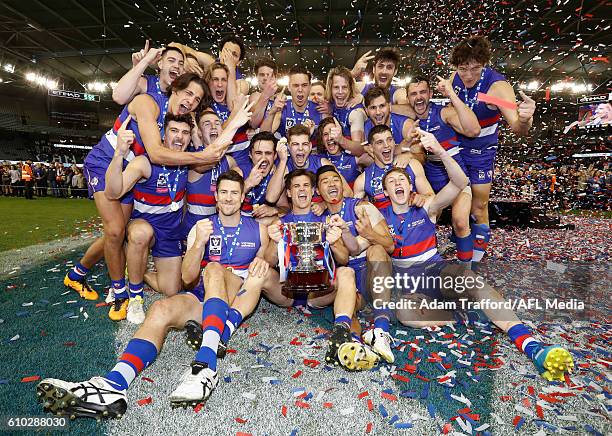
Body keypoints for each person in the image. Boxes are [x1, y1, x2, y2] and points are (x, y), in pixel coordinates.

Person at [36, 171, 274, 417]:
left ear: (242, 196)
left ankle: (206, 363)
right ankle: (115, 384)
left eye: (234, 192)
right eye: (223, 192)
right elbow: (188, 277)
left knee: (214, 268)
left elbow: (264, 268)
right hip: (204, 296)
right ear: (215, 195)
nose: (228, 198)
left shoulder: (257, 229)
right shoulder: (202, 227)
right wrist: (198, 244)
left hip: (235, 293)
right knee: (160, 309)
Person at [380, 129, 573, 382]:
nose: (397, 184)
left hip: (434, 270)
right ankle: (460, 315)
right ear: (385, 192)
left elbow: (460, 183)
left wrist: (439, 151)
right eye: (391, 182)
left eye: (401, 180)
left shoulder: (428, 207)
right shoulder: (379, 217)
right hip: (409, 286)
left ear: (410, 185)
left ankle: (530, 344)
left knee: (468, 279)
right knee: (405, 315)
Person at [64, 73, 212, 303]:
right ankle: (120, 292)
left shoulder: (174, 117)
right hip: (107, 162)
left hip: (128, 169)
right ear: (174, 89)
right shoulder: (149, 103)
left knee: (121, 232)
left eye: (196, 98)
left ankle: (77, 273)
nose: (191, 100)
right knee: (115, 231)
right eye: (188, 94)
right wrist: (201, 155)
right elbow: (154, 152)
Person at [263, 169, 380, 371]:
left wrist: (334, 243)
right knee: (262, 274)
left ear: (313, 190)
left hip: (318, 292)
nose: (302, 190)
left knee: (346, 273)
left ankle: (340, 331)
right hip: (287, 290)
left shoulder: (328, 220)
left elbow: (343, 259)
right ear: (289, 193)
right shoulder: (280, 223)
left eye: (306, 185)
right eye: (296, 186)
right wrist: (275, 242)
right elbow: (268, 260)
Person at [449, 36, 535, 264]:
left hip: (482, 150)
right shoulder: (454, 77)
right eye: (463, 69)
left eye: (475, 69)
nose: (468, 75)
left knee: (479, 205)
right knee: (456, 201)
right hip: (457, 146)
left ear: (484, 64)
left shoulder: (498, 88)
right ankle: (459, 239)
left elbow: (518, 127)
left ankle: (477, 257)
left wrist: (526, 119)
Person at [103, 113, 193, 323]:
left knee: (171, 289)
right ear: (162, 134)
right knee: (142, 233)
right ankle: (135, 297)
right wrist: (119, 154)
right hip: (145, 227)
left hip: (170, 233)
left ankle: (136, 269)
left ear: (190, 138)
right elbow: (113, 192)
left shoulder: (187, 161)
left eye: (185, 132)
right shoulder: (144, 161)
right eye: (174, 131)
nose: (179, 137)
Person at [316, 165, 397, 363]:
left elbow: (390, 245)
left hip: (372, 274)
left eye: (335, 179)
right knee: (346, 307)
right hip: (348, 278)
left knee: (376, 249)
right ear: (318, 191)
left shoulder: (361, 207)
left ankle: (381, 331)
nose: (332, 184)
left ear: (343, 184)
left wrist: (369, 234)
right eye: (325, 181)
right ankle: (352, 346)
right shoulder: (318, 218)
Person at [406, 76, 480, 265]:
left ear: (430, 94)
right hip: (431, 181)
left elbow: (474, 130)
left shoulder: (444, 113)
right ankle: (429, 262)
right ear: (408, 98)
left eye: (423, 92)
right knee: (424, 222)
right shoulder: (408, 122)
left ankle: (466, 272)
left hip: (456, 176)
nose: (419, 97)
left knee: (461, 222)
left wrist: (451, 94)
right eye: (414, 94)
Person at [264, 124, 352, 207]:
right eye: (295, 144)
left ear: (310, 147)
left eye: (304, 144)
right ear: (288, 147)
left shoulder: (321, 163)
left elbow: (348, 193)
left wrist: (324, 205)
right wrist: (283, 161)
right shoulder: (285, 166)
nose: (300, 148)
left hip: (324, 216)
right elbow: (270, 198)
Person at [353, 125, 433, 210]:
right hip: (386, 222)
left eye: (389, 140)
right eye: (380, 142)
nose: (386, 145)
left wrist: (420, 198)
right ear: (371, 148)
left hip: (415, 221)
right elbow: (356, 212)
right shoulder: (362, 180)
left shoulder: (412, 164)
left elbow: (432, 197)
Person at [261, 66, 329, 139]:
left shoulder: (320, 110)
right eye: (296, 85)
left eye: (304, 85)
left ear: (310, 87)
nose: (300, 89)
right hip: (286, 150)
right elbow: (263, 137)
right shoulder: (281, 108)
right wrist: (272, 112)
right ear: (289, 87)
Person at [112, 44, 185, 105]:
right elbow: (119, 97)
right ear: (160, 64)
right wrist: (145, 61)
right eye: (171, 61)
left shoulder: (180, 94)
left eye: (181, 63)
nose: (177, 66)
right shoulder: (146, 83)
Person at [325, 66, 368, 156]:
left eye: (344, 87)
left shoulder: (356, 113)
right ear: (330, 88)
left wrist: (341, 139)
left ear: (350, 89)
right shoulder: (330, 104)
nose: (340, 92)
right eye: (336, 87)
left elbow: (360, 150)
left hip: (353, 164)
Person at [316, 117, 370, 187]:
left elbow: (373, 158)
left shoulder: (352, 156)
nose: (330, 137)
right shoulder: (318, 159)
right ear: (322, 140)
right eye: (325, 134)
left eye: (333, 132)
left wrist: (342, 140)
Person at [239, 131, 279, 224]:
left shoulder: (275, 175)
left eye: (268, 153)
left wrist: (274, 210)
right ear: (250, 154)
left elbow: (284, 207)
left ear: (275, 156)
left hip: (261, 225)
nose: (263, 158)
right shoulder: (239, 173)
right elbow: (222, 205)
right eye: (258, 153)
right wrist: (248, 183)